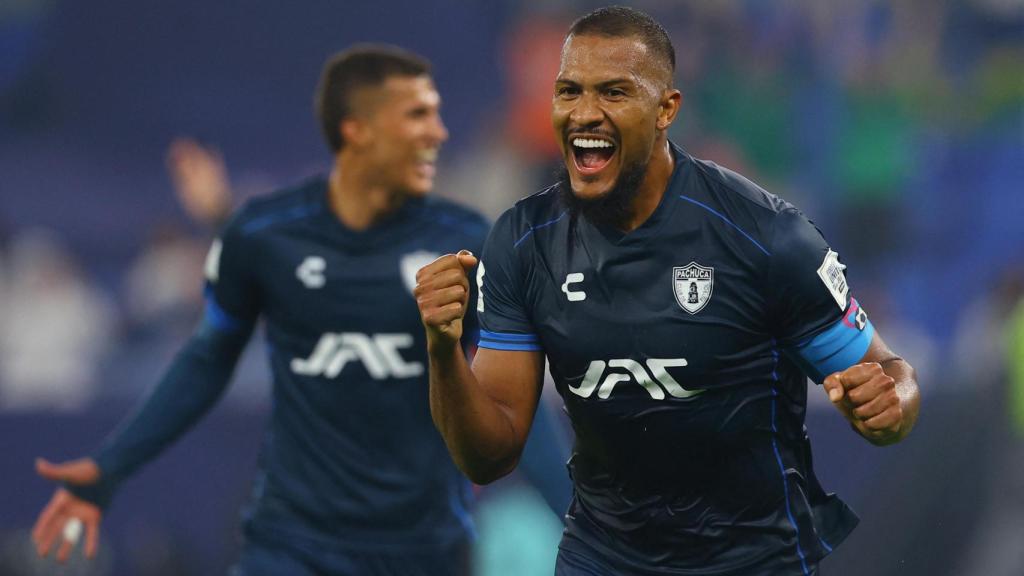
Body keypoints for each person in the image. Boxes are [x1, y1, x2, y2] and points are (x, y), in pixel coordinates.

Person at [414, 7, 921, 576]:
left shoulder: (764, 235)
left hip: (752, 561)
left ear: (666, 110)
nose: (585, 113)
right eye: (569, 91)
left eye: (613, 92)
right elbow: (489, 456)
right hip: (603, 559)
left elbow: (889, 375)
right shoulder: (523, 242)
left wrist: (888, 403)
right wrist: (442, 348)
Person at [30, 44, 565, 576]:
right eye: (416, 117)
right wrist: (110, 467)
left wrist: (595, 531)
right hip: (294, 545)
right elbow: (204, 363)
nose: (436, 135)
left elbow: (518, 412)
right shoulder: (274, 235)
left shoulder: (463, 243)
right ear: (356, 131)